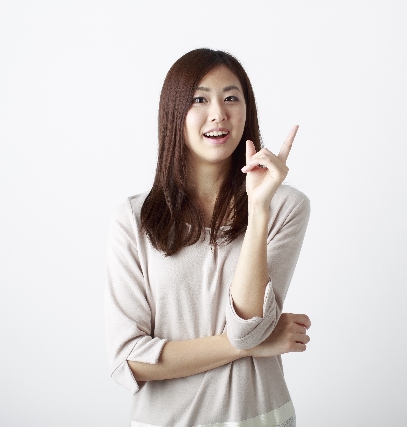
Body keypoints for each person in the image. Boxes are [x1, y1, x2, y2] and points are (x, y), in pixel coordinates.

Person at [105, 48, 311, 427]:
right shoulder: (133, 219)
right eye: (200, 99)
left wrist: (258, 207)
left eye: (231, 98)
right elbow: (129, 360)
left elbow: (247, 328)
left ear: (247, 111)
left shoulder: (284, 206)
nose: (218, 113)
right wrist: (248, 345)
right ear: (174, 113)